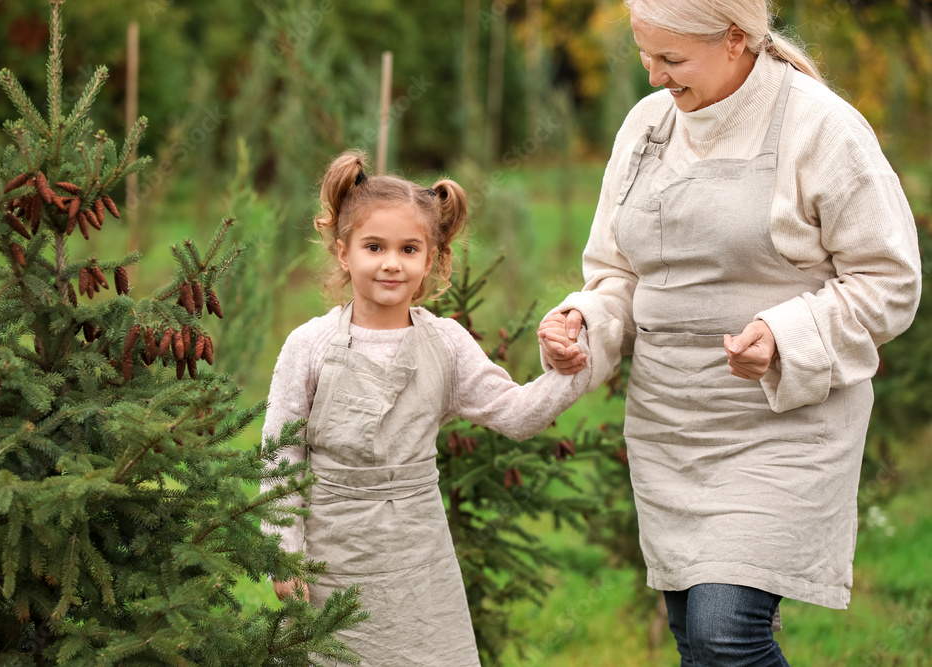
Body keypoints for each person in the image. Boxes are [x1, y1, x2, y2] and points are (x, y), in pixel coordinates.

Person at [538, 1, 922, 665]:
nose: (654, 77)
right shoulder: (645, 130)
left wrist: (785, 333)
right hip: (671, 426)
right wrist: (582, 322)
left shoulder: (821, 127)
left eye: (672, 59)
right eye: (643, 55)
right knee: (699, 639)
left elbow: (889, 281)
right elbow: (616, 275)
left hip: (783, 425)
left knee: (724, 633)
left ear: (736, 39)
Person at [260, 150, 589, 667]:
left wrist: (573, 368)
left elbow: (516, 413)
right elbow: (280, 456)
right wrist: (282, 552)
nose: (391, 262)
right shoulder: (309, 345)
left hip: (418, 552)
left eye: (409, 249)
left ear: (431, 260)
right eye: (374, 247)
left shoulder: (447, 343)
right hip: (331, 551)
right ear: (344, 253)